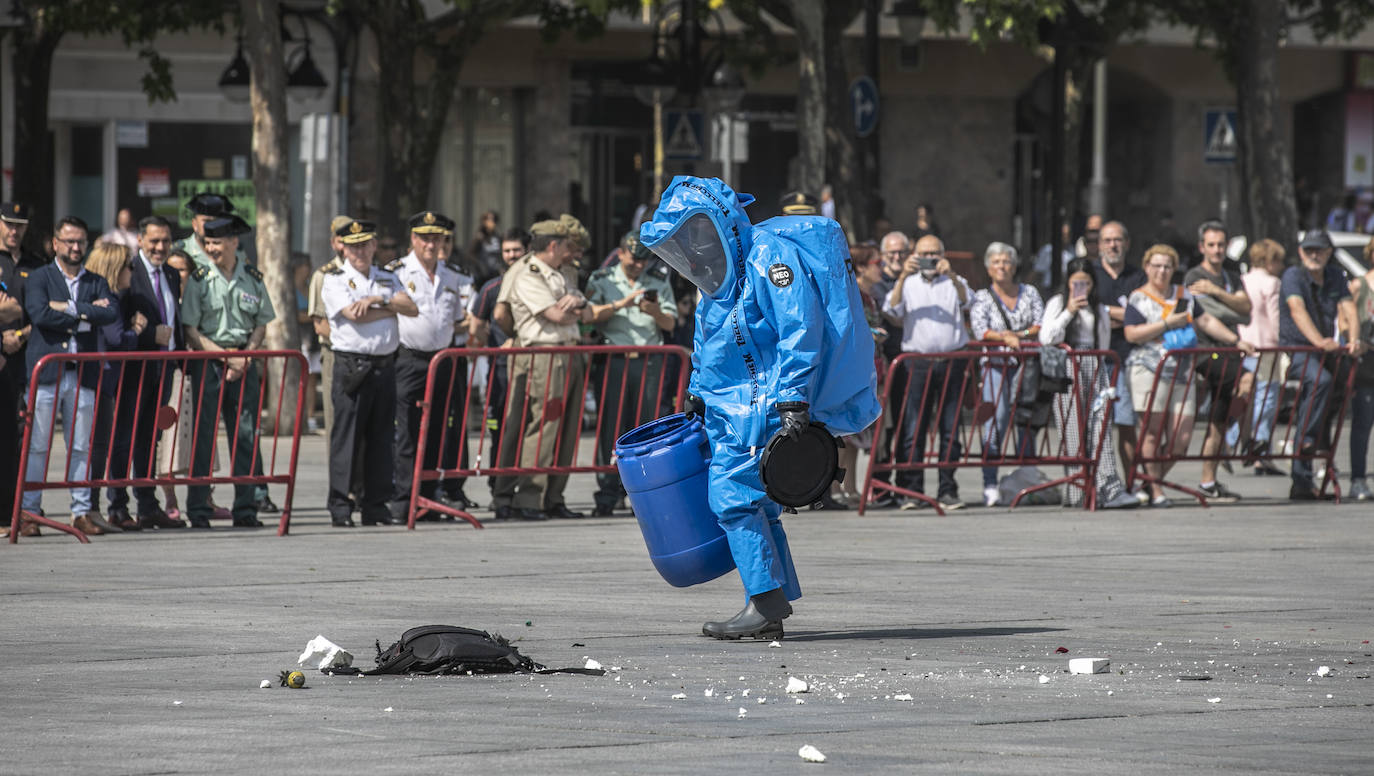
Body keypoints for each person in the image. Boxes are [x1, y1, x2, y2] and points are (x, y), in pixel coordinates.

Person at [640, 175, 880, 639]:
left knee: (731, 498)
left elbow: (800, 328)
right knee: (757, 503)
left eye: (696, 232)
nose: (692, 246)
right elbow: (708, 339)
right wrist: (698, 389)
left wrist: (793, 397)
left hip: (768, 402)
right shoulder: (717, 274)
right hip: (734, 408)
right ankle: (770, 600)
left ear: (722, 222)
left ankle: (765, 607)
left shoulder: (769, 257)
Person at [496, 219, 616, 521]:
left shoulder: (564, 272)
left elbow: (582, 311)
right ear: (553, 245)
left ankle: (553, 496)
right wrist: (574, 308)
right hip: (543, 354)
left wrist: (575, 301)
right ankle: (528, 496)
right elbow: (556, 315)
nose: (571, 252)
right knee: (543, 426)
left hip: (570, 352)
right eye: (566, 245)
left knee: (568, 427)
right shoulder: (527, 273)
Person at [20, 216, 119, 536]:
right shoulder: (40, 277)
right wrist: (86, 312)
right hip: (48, 372)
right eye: (70, 241)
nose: (76, 248)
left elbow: (110, 312)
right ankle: (30, 511)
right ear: (56, 243)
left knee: (81, 445)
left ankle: (81, 510)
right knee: (37, 445)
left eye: (81, 242)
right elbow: (39, 313)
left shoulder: (95, 280)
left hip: (82, 374)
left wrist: (69, 308)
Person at [321, 219, 419, 527]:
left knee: (381, 438)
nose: (359, 251)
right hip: (353, 365)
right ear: (343, 248)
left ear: (374, 245)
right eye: (353, 246)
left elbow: (411, 307)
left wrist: (378, 299)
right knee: (347, 439)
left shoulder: (387, 277)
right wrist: (391, 308)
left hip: (385, 364)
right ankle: (340, 504)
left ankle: (376, 504)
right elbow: (353, 315)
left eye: (364, 245)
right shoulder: (334, 278)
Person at [180, 215, 275, 528]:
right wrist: (225, 358)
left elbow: (262, 322)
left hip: (243, 363)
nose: (211, 248)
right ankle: (198, 510)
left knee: (245, 436)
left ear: (235, 242)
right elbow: (191, 329)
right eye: (207, 243)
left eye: (217, 242)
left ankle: (246, 508)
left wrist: (245, 357)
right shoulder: (200, 279)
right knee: (203, 438)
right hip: (210, 362)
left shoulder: (252, 276)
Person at [1123, 244, 1233, 508]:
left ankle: (1148, 482)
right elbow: (1131, 334)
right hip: (1149, 369)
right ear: (1147, 267)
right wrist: (1166, 324)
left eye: (1167, 266)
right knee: (1150, 433)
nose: (1162, 271)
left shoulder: (1183, 295)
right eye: (1156, 265)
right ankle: (1157, 490)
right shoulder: (1138, 298)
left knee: (1180, 439)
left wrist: (1236, 340)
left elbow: (1205, 321)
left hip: (1182, 370)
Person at [388, 210, 475, 522]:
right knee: (407, 431)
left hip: (442, 360)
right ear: (413, 239)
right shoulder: (396, 272)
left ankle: (429, 493)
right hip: (409, 359)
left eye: (436, 238)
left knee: (439, 429)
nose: (430, 243)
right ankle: (404, 499)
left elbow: (455, 321)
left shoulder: (450, 275)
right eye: (425, 237)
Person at [584, 231, 676, 516]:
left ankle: (643, 490)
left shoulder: (658, 281)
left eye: (644, 260)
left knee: (646, 427)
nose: (639, 265)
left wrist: (654, 312)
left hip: (649, 361)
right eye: (634, 259)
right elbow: (587, 317)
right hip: (615, 358)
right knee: (611, 426)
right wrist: (620, 305)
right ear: (621, 253)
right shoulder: (602, 280)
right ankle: (608, 491)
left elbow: (670, 323)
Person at [102, 216, 183, 530]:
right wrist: (150, 337)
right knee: (124, 437)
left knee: (151, 440)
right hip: (134, 368)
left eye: (165, 241)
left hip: (163, 368)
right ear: (141, 241)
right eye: (154, 241)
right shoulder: (130, 275)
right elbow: (121, 324)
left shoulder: (173, 275)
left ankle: (148, 505)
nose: (160, 247)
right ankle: (118, 507)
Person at [1039, 258, 1139, 509]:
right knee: (1072, 430)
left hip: (1093, 366)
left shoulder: (1100, 310)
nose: (1082, 288)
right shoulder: (1058, 303)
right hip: (1066, 367)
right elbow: (1047, 337)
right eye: (1076, 283)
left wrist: (1099, 368)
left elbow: (1103, 344)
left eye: (1086, 283)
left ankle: (1109, 489)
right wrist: (1069, 311)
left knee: (1100, 427)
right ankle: (1078, 490)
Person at [882, 233, 972, 511]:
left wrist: (954, 277)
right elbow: (892, 310)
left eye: (934, 254)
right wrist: (900, 280)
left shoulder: (954, 282)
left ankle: (948, 488)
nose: (929, 260)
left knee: (950, 427)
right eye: (924, 254)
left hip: (951, 361)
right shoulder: (907, 283)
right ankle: (911, 489)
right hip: (917, 362)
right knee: (913, 427)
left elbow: (968, 302)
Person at [1280, 230, 1363, 500]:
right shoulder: (1294, 275)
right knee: (1320, 381)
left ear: (1329, 253)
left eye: (1319, 250)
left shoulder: (1335, 276)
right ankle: (1307, 441)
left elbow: (1349, 308)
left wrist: (1354, 340)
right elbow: (1296, 309)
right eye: (1308, 250)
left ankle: (1305, 477)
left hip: (1325, 351)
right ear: (1301, 252)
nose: (1313, 255)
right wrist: (1319, 341)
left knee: (1339, 388)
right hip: (1298, 349)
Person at [1183, 220, 1254, 503]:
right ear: (1202, 247)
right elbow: (1211, 316)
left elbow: (1247, 312)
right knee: (1247, 379)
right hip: (1205, 351)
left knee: (1218, 418)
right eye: (1211, 245)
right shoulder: (1193, 275)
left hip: (1229, 352)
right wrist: (1231, 305)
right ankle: (1236, 438)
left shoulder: (1231, 276)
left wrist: (1217, 293)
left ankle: (1208, 480)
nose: (1216, 250)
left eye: (1221, 245)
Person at [968, 242, 1043, 507]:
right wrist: (1004, 337)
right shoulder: (982, 297)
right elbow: (980, 330)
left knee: (1025, 420)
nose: (1002, 266)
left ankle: (1028, 477)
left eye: (1007, 261)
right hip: (996, 366)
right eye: (997, 262)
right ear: (989, 268)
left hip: (1027, 366)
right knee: (995, 422)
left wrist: (1019, 336)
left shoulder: (1030, 292)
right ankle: (990, 483)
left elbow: (1039, 324)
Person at [85, 241, 145, 532]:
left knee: (100, 446)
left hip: (106, 379)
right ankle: (90, 506)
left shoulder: (114, 297)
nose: (132, 272)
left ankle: (94, 507)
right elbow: (116, 338)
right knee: (97, 447)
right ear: (114, 268)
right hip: (102, 379)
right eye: (128, 266)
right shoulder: (108, 298)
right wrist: (136, 330)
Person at [468, 226, 528, 506]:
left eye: (516, 249)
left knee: (530, 430)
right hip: (501, 371)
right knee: (501, 429)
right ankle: (498, 488)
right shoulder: (492, 288)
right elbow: (477, 325)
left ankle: (527, 490)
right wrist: (492, 346)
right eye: (507, 250)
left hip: (533, 366)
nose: (511, 255)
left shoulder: (533, 283)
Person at [1093, 220, 1147, 497]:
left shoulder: (1138, 277)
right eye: (1107, 240)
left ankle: (1133, 482)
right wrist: (1122, 314)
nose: (1112, 245)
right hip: (1095, 359)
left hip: (1128, 358)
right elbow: (1088, 311)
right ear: (1099, 245)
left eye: (1117, 240)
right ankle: (1100, 483)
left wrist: (1106, 313)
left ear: (1126, 243)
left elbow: (1142, 315)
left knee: (1126, 424)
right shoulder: (1090, 274)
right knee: (1096, 428)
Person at [1232, 238, 1286, 476]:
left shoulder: (1242, 280)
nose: (1281, 265)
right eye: (1279, 260)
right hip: (1266, 345)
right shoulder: (1272, 283)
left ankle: (1233, 442)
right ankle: (1260, 451)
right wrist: (1284, 344)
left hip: (1244, 343)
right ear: (1270, 260)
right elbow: (1276, 318)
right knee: (1267, 400)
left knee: (1246, 399)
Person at [866, 231, 910, 508]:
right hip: (886, 365)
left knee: (907, 427)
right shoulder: (877, 285)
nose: (897, 258)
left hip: (910, 363)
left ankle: (906, 487)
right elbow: (893, 319)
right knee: (883, 429)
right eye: (892, 253)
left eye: (902, 253)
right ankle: (881, 489)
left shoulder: (918, 282)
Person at [0, 202, 33, 537]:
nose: (14, 231)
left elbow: (35, 312)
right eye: (8, 224)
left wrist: (20, 334)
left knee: (15, 439)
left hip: (22, 361)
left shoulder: (34, 264)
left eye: (20, 225)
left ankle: (11, 511)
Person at [1346, 236, 1374, 501]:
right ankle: (1357, 479)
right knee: (1363, 424)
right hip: (1367, 367)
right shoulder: (1360, 285)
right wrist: (1356, 342)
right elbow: (1346, 319)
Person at [468, 210, 504, 285]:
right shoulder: (480, 237)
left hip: (496, 273)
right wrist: (481, 266)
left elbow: (500, 254)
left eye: (494, 220)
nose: (492, 222)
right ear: (484, 221)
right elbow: (471, 254)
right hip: (483, 274)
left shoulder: (498, 237)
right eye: (489, 219)